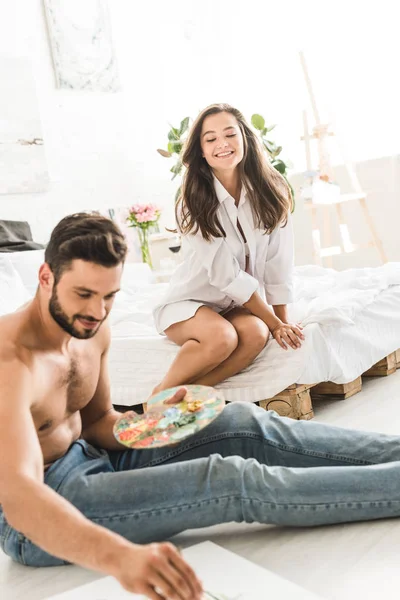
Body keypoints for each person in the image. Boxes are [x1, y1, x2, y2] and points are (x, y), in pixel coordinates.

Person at [3, 213, 400, 600]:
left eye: (109, 296)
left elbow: (97, 423)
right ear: (45, 278)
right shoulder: (10, 363)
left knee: (241, 419)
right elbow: (19, 498)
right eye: (84, 295)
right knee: (229, 480)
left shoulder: (93, 330)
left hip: (92, 456)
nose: (97, 312)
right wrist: (120, 557)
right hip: (40, 511)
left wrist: (152, 424)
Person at [153, 103, 304, 396]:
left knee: (256, 334)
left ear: (245, 138)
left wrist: (281, 323)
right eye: (210, 139)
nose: (222, 144)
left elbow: (279, 263)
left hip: (233, 307)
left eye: (230, 134)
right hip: (188, 304)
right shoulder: (193, 200)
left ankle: (188, 396)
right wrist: (274, 323)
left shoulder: (272, 189)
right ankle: (159, 397)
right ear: (201, 150)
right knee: (222, 337)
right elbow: (226, 275)